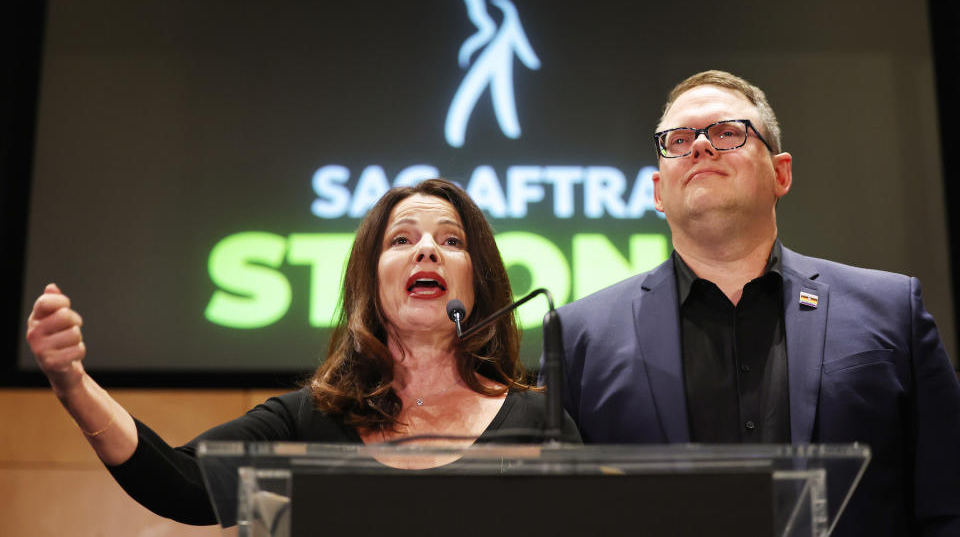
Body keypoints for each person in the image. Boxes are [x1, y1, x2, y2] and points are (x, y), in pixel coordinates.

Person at [26, 178, 580, 526]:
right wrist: (74, 385)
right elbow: (183, 484)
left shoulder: (538, 419)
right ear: (370, 283)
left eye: (451, 241)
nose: (429, 249)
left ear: (479, 283)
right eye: (402, 239)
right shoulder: (309, 417)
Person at [553, 70, 960, 536]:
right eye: (679, 140)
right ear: (658, 193)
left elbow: (947, 503)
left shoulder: (892, 310)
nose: (701, 147)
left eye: (728, 133)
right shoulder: (577, 337)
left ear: (781, 173)